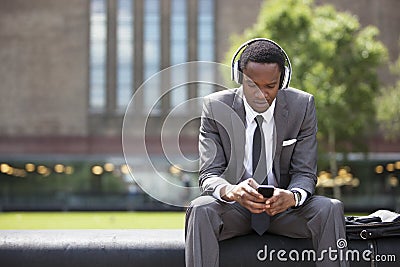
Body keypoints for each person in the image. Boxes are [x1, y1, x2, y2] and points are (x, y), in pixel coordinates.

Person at [185, 39, 348, 267]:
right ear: (239, 76)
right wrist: (232, 191)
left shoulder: (302, 106)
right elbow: (209, 174)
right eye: (252, 85)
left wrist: (292, 197)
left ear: (282, 81)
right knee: (200, 209)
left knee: (330, 208)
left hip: (285, 211)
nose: (261, 94)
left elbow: (305, 173)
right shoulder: (215, 108)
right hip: (236, 209)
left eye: (269, 86)